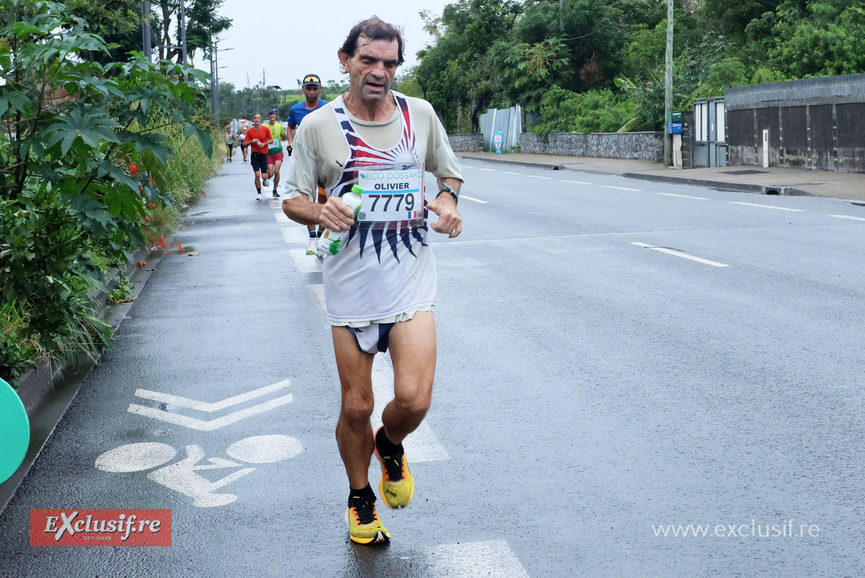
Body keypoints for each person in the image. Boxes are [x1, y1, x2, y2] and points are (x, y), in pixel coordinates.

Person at [281, 17, 463, 545]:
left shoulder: (419, 115)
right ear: (346, 61)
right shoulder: (319, 125)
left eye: (390, 63)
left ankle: (390, 443)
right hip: (351, 285)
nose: (380, 71)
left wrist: (447, 202)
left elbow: (447, 173)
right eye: (369, 60)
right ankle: (361, 496)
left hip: (410, 281)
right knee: (356, 403)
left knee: (415, 400)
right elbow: (292, 198)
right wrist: (321, 211)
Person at [287, 74, 329, 255]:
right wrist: (290, 142)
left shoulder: (328, 108)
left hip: (324, 158)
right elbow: (290, 127)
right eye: (308, 88)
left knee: (324, 199)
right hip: (304, 159)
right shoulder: (295, 110)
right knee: (306, 198)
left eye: (315, 88)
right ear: (303, 89)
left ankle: (321, 235)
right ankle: (312, 239)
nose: (311, 92)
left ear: (320, 89)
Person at [244, 113, 273, 201]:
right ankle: (259, 193)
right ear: (253, 119)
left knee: (264, 176)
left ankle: (265, 179)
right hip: (254, 155)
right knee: (257, 175)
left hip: (263, 154)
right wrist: (251, 142)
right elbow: (244, 144)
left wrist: (264, 143)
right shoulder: (250, 131)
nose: (256, 120)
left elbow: (271, 140)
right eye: (255, 118)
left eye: (258, 118)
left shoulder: (265, 129)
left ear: (260, 119)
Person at [264, 109, 285, 197]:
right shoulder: (265, 127)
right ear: (268, 117)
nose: (272, 119)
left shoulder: (279, 126)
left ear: (275, 117)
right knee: (271, 173)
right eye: (270, 117)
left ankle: (275, 190)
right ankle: (266, 176)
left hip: (278, 152)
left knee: (277, 171)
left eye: (273, 117)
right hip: (268, 153)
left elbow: (283, 136)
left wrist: (284, 136)